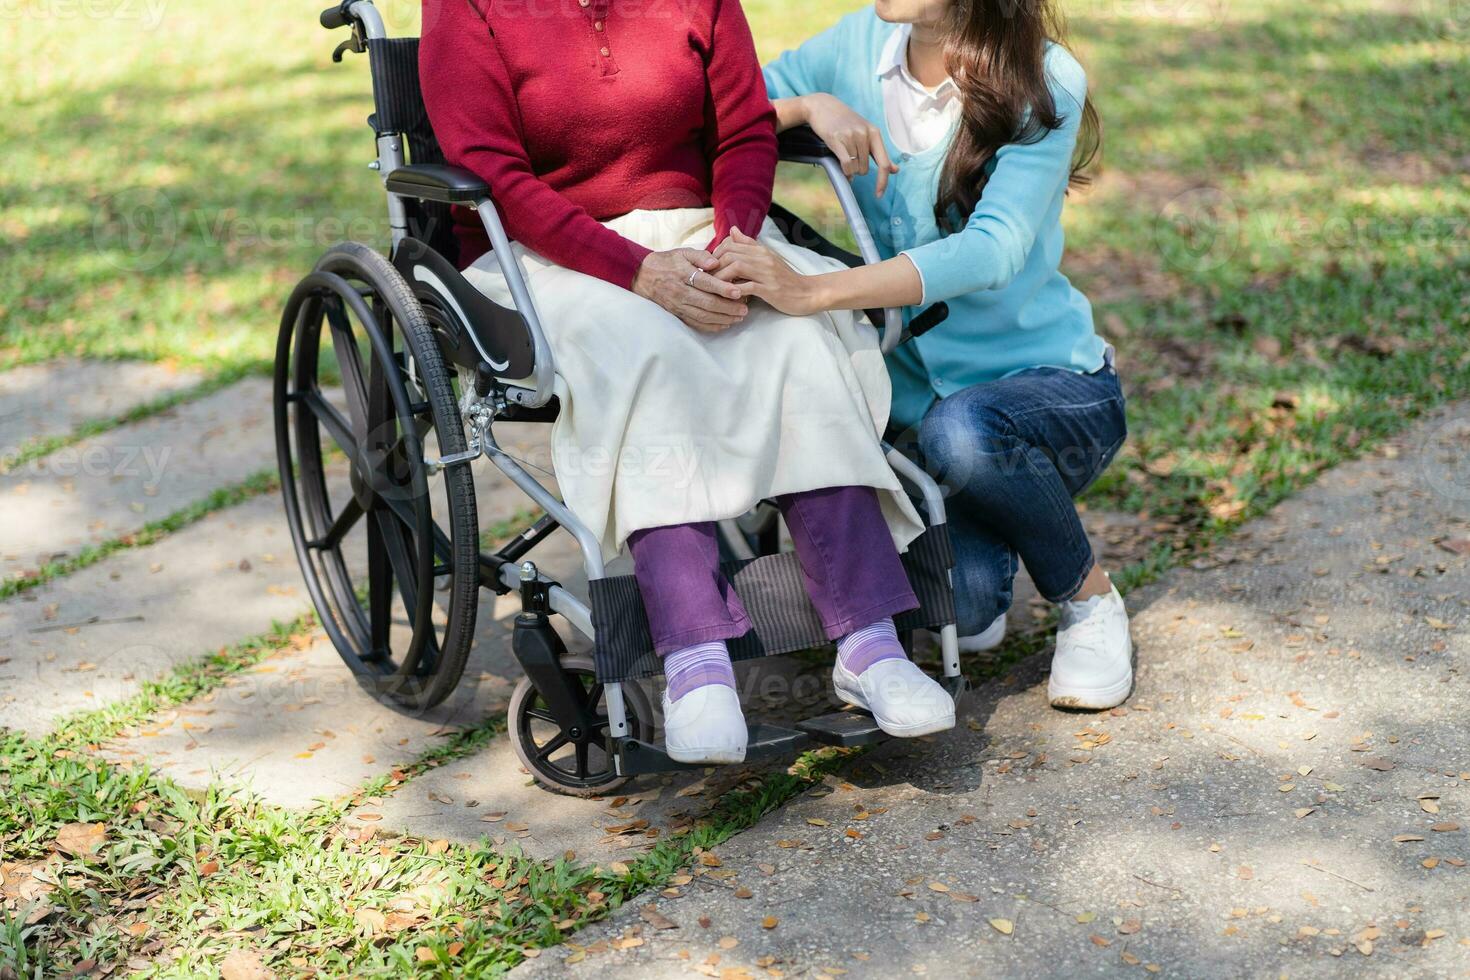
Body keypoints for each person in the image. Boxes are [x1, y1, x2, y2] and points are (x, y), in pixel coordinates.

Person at [418, 0, 956, 763]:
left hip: (701, 228)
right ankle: (694, 661)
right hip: (539, 253)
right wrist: (638, 272)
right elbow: (497, 180)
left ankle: (869, 645)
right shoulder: (465, 8)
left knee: (796, 334)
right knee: (647, 348)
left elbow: (741, 131)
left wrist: (731, 245)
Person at [713, 0, 1134, 710]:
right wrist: (809, 104)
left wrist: (815, 293)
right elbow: (728, 101)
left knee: (964, 432)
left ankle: (1089, 600)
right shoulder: (857, 46)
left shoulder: (1045, 75)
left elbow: (991, 250)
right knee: (960, 615)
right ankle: (988, 547)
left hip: (1051, 388)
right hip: (915, 408)